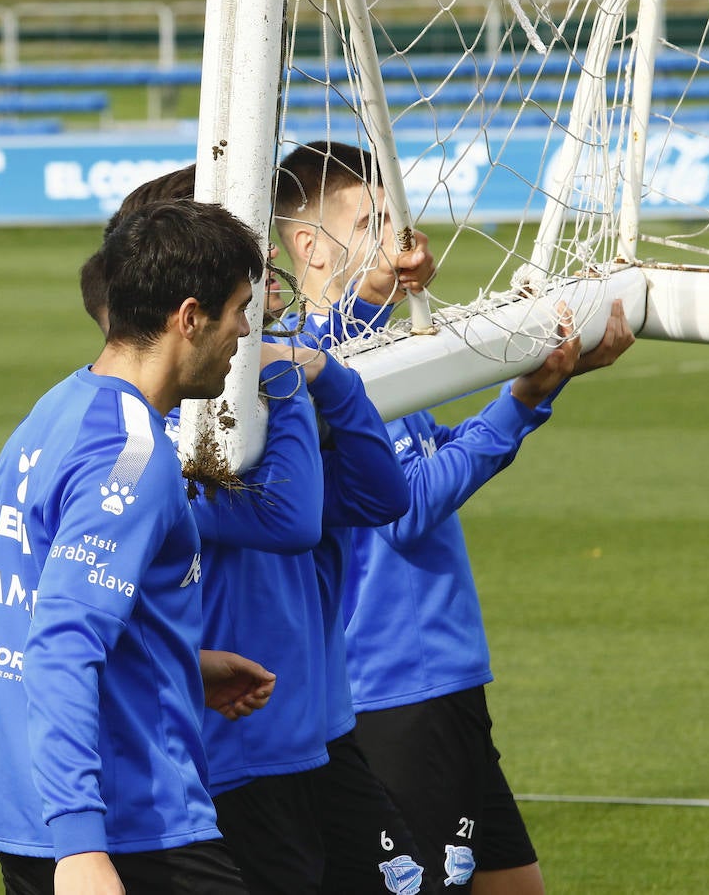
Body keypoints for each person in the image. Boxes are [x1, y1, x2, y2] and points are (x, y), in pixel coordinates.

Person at [275, 140, 636, 894]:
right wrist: (525, 402)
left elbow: (432, 447)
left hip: (442, 679)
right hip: (392, 689)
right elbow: (405, 508)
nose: (402, 241)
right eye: (374, 222)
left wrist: (542, 381)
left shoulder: (379, 344)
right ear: (309, 244)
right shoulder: (322, 367)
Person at [98, 169, 428, 895]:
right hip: (236, 749)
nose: (266, 268)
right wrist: (284, 380)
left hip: (318, 732)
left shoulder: (257, 392)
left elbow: (381, 496)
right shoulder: (157, 437)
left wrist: (326, 376)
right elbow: (291, 521)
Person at [0, 199, 278, 895]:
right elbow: (61, 644)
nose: (244, 332)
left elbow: (47, 600)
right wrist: (85, 848)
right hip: (129, 829)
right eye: (238, 309)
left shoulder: (52, 411)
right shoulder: (134, 458)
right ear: (189, 318)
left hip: (37, 820)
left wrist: (180, 664)